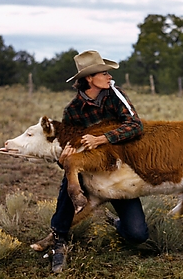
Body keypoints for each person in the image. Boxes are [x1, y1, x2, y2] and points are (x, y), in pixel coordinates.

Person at [39, 50, 149, 273]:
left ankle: (117, 223)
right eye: (104, 73)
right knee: (69, 180)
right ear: (89, 78)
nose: (110, 77)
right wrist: (63, 160)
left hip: (117, 173)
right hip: (88, 172)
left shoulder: (115, 95)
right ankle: (60, 240)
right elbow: (69, 150)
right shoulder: (72, 111)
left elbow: (136, 126)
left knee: (138, 235)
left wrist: (103, 138)